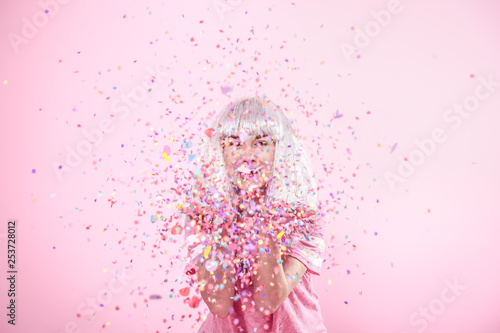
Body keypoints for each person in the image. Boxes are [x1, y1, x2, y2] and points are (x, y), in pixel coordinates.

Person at [179, 96, 328, 332]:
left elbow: (269, 300)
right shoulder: (202, 215)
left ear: (281, 150)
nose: (247, 154)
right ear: (221, 151)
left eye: (260, 142)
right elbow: (219, 304)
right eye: (235, 143)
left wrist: (261, 220)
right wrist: (225, 222)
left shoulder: (303, 215)